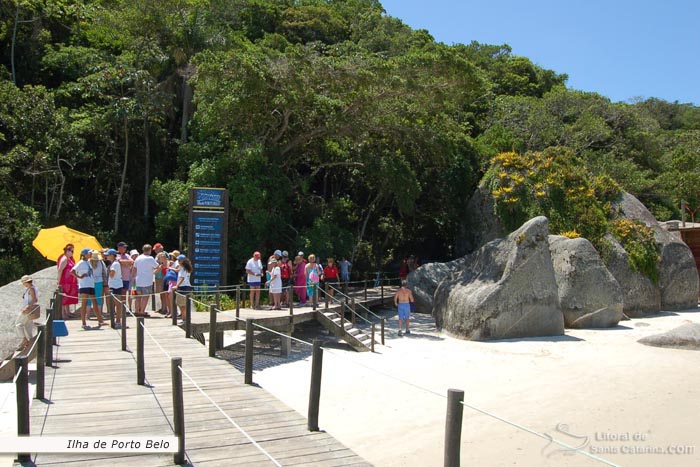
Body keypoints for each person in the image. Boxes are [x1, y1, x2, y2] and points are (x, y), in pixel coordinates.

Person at [72, 247, 104, 329]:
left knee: (95, 303)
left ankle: (100, 320)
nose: (90, 254)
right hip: (84, 285)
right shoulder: (81, 262)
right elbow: (72, 271)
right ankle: (83, 322)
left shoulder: (88, 262)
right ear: (84, 254)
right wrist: (79, 276)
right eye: (89, 253)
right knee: (84, 304)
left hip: (91, 284)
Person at [132, 244, 160, 317]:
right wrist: (155, 271)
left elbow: (134, 268)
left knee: (138, 297)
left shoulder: (138, 258)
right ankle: (142, 311)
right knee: (145, 296)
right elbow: (157, 267)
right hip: (147, 281)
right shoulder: (150, 258)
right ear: (149, 250)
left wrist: (133, 278)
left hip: (138, 281)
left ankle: (136, 310)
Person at [15, 275, 39, 351]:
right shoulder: (31, 288)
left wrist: (27, 307)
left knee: (18, 324)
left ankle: (24, 339)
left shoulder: (31, 289)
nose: (23, 284)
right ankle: (30, 341)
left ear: (26, 282)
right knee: (28, 325)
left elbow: (34, 299)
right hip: (31, 309)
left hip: (28, 309)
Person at [57, 243, 79, 319]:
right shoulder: (64, 259)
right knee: (64, 297)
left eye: (73, 251)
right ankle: (63, 314)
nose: (72, 253)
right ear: (67, 251)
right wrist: (58, 281)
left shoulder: (69, 259)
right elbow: (60, 270)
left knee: (69, 297)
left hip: (70, 282)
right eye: (71, 251)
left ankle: (67, 312)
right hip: (65, 282)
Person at [171, 255, 193, 324]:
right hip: (187, 287)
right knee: (183, 304)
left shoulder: (183, 268)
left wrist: (177, 285)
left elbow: (182, 277)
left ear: (182, 260)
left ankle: (185, 319)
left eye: (179, 260)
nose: (178, 261)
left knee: (182, 304)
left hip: (183, 287)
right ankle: (185, 318)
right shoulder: (186, 267)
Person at [106, 249, 124, 328]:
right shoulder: (114, 263)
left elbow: (112, 274)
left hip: (116, 286)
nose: (107, 256)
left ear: (112, 255)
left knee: (117, 304)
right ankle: (115, 320)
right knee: (114, 304)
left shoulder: (115, 264)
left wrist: (108, 270)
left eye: (108, 255)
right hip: (113, 285)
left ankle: (118, 321)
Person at [89, 250, 108, 319]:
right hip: (99, 281)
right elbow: (105, 271)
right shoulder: (101, 262)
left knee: (89, 299)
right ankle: (99, 314)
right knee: (99, 298)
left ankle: (87, 315)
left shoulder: (88, 262)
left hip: (91, 281)